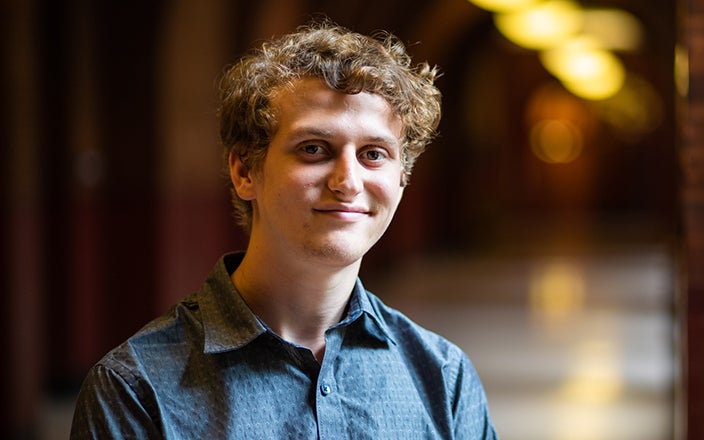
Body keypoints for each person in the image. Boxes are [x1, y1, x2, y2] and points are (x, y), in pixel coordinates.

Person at [70, 21, 498, 439]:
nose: (348, 181)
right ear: (244, 171)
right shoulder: (134, 391)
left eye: (373, 153)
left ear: (402, 178)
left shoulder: (444, 378)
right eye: (314, 149)